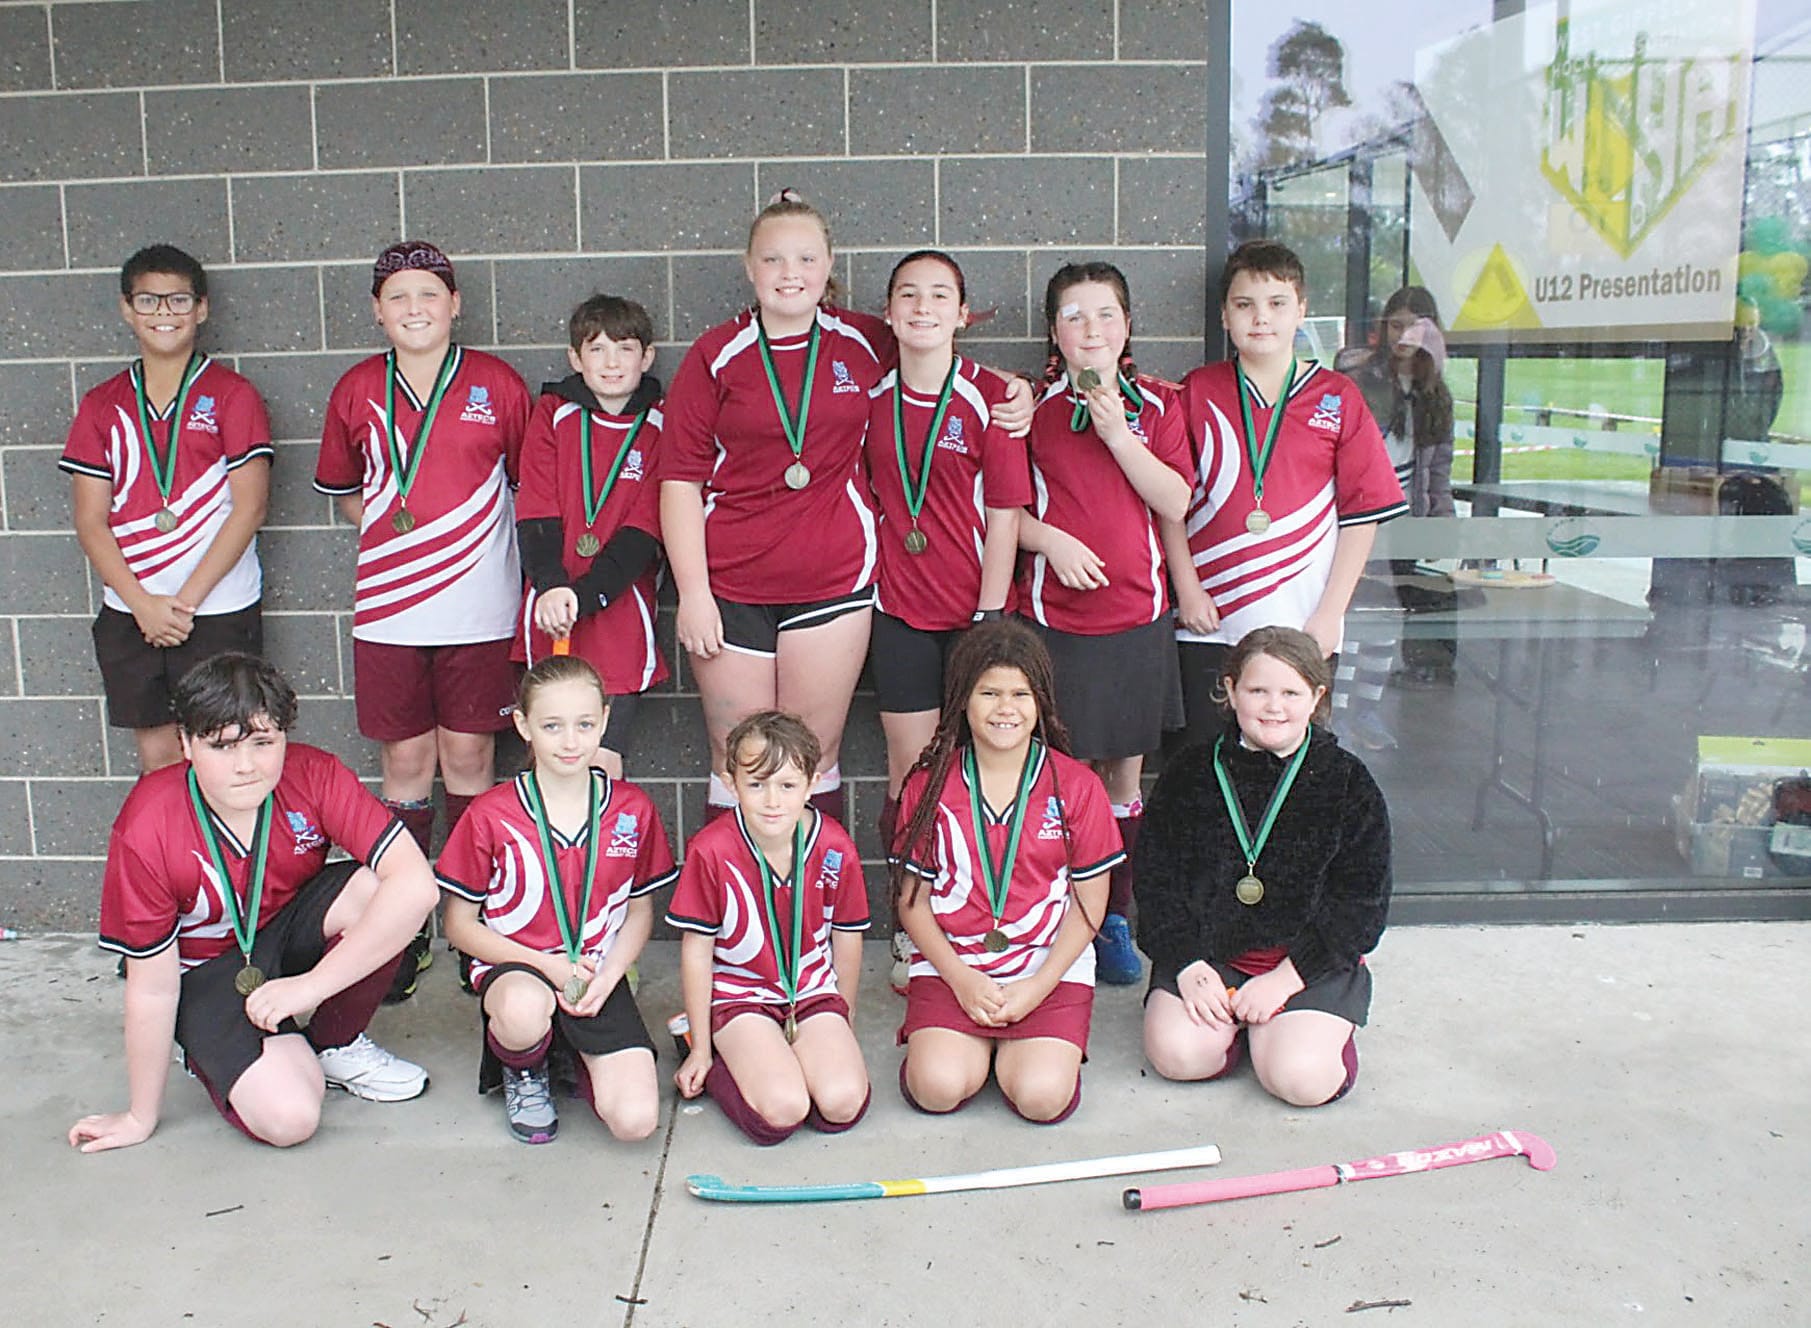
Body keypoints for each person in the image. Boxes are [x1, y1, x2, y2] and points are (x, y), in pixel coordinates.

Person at [659, 193, 1032, 829]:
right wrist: (693, 594)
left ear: (829, 265)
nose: (790, 273)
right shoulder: (715, 354)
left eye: (806, 258)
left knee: (810, 753)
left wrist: (1013, 389)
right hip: (730, 586)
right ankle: (734, 895)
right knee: (737, 754)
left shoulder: (861, 338)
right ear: (749, 267)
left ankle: (814, 893)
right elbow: (679, 481)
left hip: (833, 581)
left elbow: (933, 348)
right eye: (773, 259)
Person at [69, 653, 436, 1152]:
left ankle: (336, 1041)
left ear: (284, 736)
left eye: (263, 743)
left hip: (283, 937)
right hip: (204, 974)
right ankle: (219, 1049)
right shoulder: (148, 823)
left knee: (381, 889)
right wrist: (139, 1115)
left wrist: (310, 987)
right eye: (222, 746)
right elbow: (152, 988)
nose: (246, 766)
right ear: (186, 744)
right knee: (291, 1119)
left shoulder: (314, 773)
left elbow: (418, 886)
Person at [313, 240, 532, 999]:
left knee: (469, 761)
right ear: (377, 311)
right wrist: (402, 537)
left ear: (455, 304)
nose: (415, 309)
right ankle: (404, 929)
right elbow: (348, 492)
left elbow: (527, 486)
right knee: (405, 767)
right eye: (398, 297)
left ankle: (477, 924)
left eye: (429, 294)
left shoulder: (497, 384)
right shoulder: (355, 389)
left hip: (480, 607)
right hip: (389, 610)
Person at [1015, 261, 1193, 986]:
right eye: (1074, 316)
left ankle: (1113, 915)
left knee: (1123, 773)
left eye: (1105, 314)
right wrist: (1050, 541)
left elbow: (1175, 502)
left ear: (1127, 326)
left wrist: (1120, 434)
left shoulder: (1158, 404)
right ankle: (1060, 918)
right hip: (1053, 623)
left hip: (1135, 618)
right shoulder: (1028, 408)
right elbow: (998, 511)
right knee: (1061, 776)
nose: (1091, 329)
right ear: (1054, 333)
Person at [1164, 239, 1407, 752]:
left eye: (1277, 303)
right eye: (1244, 304)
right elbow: (1169, 503)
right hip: (1210, 622)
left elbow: (1362, 515)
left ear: (1301, 311)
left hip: (1303, 622)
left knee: (1296, 768)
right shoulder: (1196, 391)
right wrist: (1187, 589)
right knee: (1204, 763)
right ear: (1224, 315)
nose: (1261, 318)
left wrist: (1331, 612)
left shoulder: (1337, 396)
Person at [1134, 627, 1391, 1107]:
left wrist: (1286, 980)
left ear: (1317, 697)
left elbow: (1361, 905)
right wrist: (1187, 964)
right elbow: (1156, 881)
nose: (1274, 706)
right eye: (1257, 691)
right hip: (1209, 955)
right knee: (1179, 1056)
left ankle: (1295, 1032)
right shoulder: (1190, 772)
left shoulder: (1348, 781)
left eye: (1291, 693)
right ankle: (1240, 1032)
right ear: (1231, 691)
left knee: (1300, 1081)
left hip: (1304, 963)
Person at [863, 250, 1029, 985]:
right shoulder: (870, 398)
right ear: (889, 312)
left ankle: (984, 921)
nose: (922, 308)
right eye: (908, 295)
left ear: (963, 314)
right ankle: (911, 926)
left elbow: (1005, 514)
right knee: (911, 774)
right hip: (899, 610)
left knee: (987, 768)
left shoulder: (991, 397)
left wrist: (989, 618)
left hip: (978, 615)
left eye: (939, 296)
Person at [891, 620, 1122, 1123]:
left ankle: (1020, 1051)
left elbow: (1090, 905)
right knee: (936, 1089)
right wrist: (961, 980)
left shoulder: (1076, 786)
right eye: (989, 693)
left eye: (1020, 694)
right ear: (962, 700)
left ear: (1041, 702)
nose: (1005, 708)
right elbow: (912, 903)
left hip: (1046, 965)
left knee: (1041, 1098)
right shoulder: (929, 787)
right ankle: (968, 1046)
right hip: (954, 963)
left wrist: (1037, 986)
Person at [437, 655, 674, 1145]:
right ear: (524, 725)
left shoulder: (632, 808)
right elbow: (459, 926)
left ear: (605, 720)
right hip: (519, 968)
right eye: (552, 726)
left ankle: (569, 1052)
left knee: (635, 1123)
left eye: (584, 724)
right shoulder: (490, 814)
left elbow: (639, 911)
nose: (570, 742)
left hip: (592, 974)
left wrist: (609, 975)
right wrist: (548, 966)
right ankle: (525, 1067)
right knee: (523, 1009)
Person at [60, 244, 273, 775]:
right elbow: (89, 520)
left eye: (178, 300)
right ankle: (170, 838)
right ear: (126, 309)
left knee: (227, 751)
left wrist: (183, 606)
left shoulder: (233, 395)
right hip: (132, 611)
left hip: (218, 608)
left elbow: (249, 508)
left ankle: (222, 838)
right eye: (148, 300)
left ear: (201, 309)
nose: (164, 313)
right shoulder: (102, 404)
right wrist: (143, 607)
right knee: (158, 757)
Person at [667, 711, 870, 1145]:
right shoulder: (711, 850)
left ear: (813, 784)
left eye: (788, 785)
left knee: (841, 1103)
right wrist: (701, 1050)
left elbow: (847, 935)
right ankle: (707, 1046)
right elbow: (697, 950)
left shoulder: (835, 846)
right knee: (783, 1111)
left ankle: (781, 1054)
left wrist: (843, 1017)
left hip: (810, 992)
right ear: (731, 782)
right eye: (757, 784)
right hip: (740, 996)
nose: (773, 801)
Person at [513, 294, 669, 778]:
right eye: (597, 349)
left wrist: (584, 596)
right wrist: (551, 584)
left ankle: (602, 834)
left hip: (617, 611)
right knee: (550, 756)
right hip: (551, 607)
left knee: (601, 760)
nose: (611, 362)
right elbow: (536, 508)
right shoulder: (552, 413)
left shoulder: (663, 424)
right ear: (575, 358)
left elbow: (643, 531)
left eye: (625, 348)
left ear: (647, 357)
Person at [1333, 285, 1459, 731]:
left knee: (1387, 615)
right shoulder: (1360, 380)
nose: (1404, 335)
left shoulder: (1435, 394)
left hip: (1404, 521)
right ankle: (1339, 710)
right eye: (1396, 325)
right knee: (1352, 613)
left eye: (1415, 327)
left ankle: (1366, 710)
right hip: (1358, 516)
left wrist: (1442, 526)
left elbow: (1439, 471)